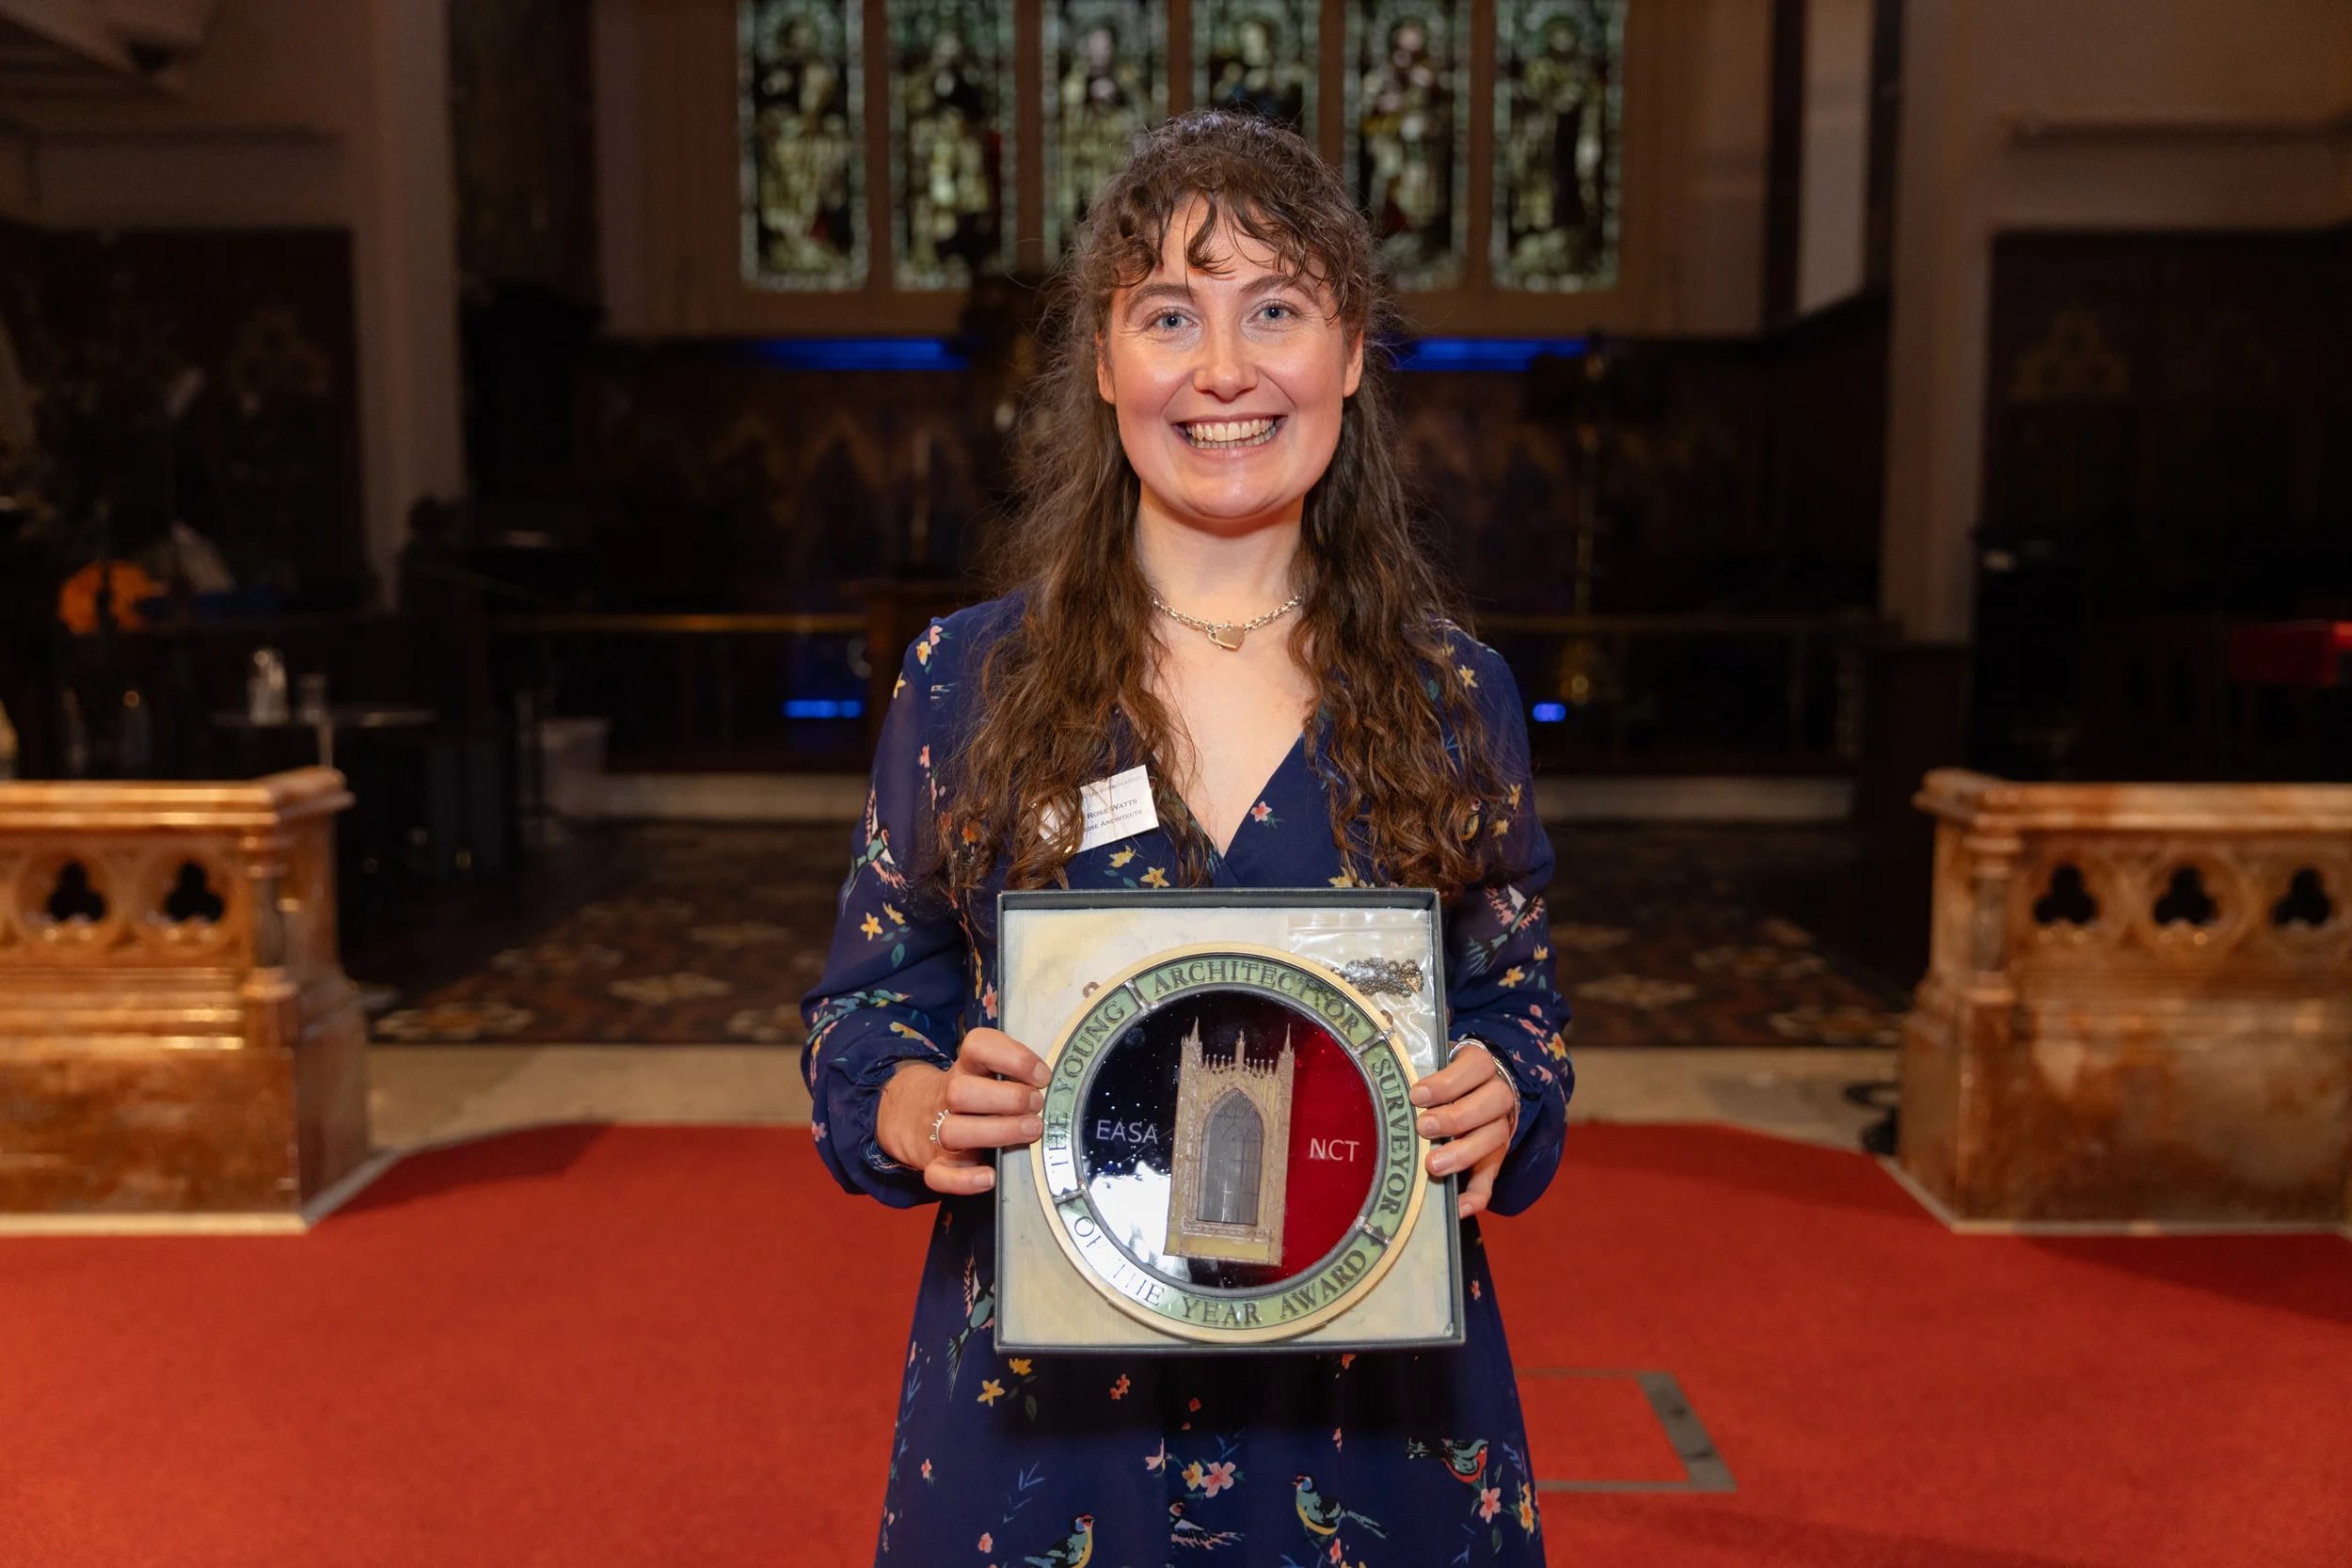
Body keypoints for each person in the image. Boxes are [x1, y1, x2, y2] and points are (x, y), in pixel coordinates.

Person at [802, 108, 1573, 1567]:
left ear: (1350, 353)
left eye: (1275, 308)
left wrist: (1503, 1093)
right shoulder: (967, 681)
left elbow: (1517, 1010)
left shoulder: (1455, 695)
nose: (1224, 369)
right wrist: (912, 1106)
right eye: (1171, 313)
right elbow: (862, 1008)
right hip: (1048, 1426)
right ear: (1105, 365)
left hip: (1370, 1413)